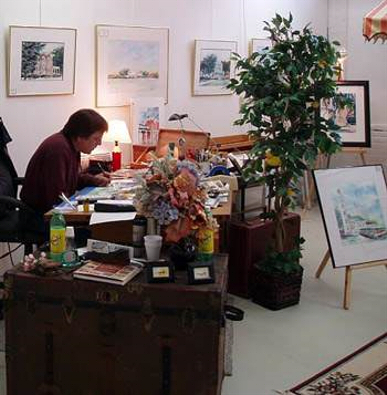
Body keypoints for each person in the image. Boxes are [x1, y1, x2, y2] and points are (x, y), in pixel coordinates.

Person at [21, 109, 111, 215]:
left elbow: (71, 179)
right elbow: (57, 197)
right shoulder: (58, 150)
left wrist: (95, 180)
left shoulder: (71, 146)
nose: (99, 143)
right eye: (96, 139)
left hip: (51, 211)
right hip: (41, 217)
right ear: (80, 137)